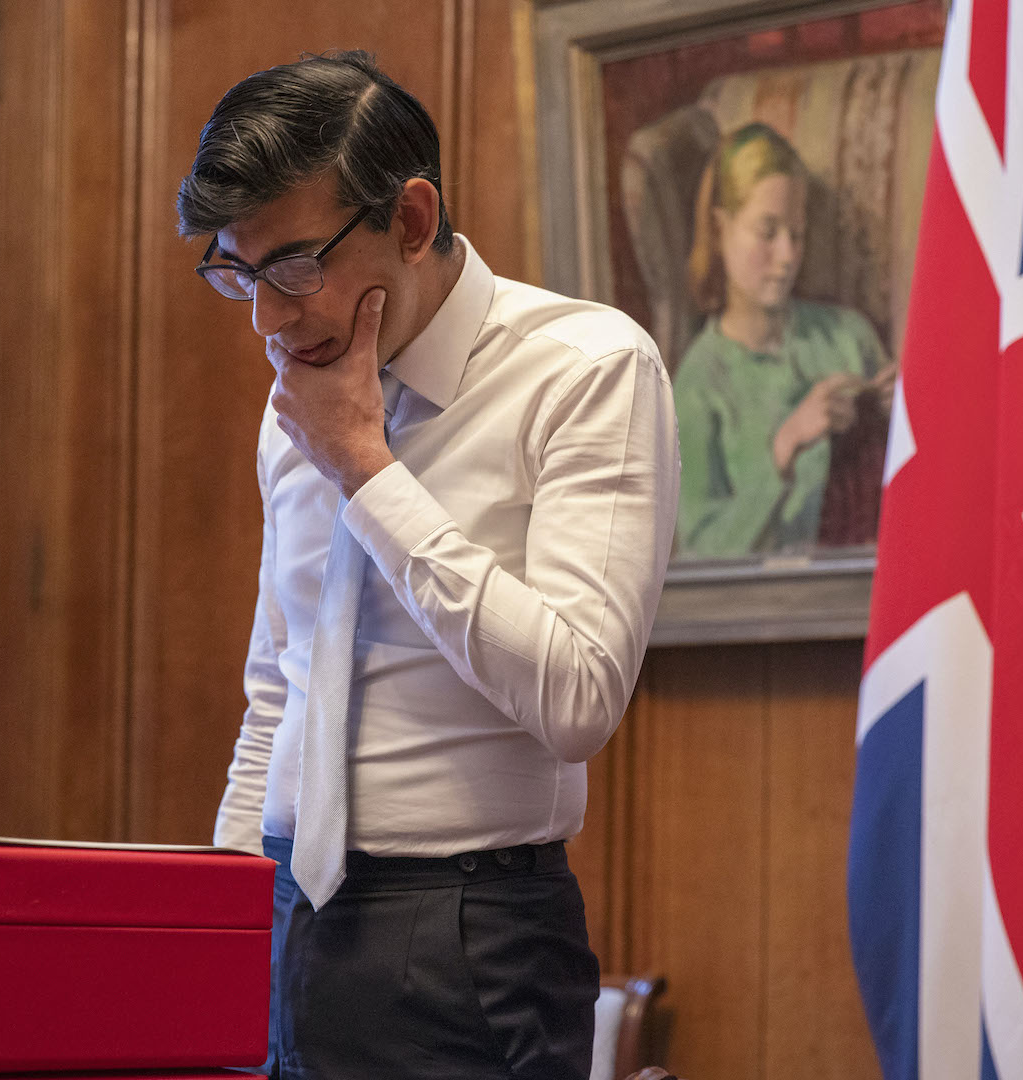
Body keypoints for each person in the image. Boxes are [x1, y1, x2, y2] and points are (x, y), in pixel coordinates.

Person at [178, 51, 679, 1080]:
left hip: (468, 933)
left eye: (295, 268)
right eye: (239, 274)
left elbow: (580, 697)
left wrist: (368, 471)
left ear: (410, 219)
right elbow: (279, 687)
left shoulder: (586, 369)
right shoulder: (295, 401)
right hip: (283, 906)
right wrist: (224, 923)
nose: (269, 319)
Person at [672, 122, 895, 560]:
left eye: (797, 234)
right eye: (767, 232)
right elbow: (699, 554)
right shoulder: (698, 383)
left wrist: (904, 414)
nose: (788, 255)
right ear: (720, 229)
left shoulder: (848, 336)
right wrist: (784, 447)